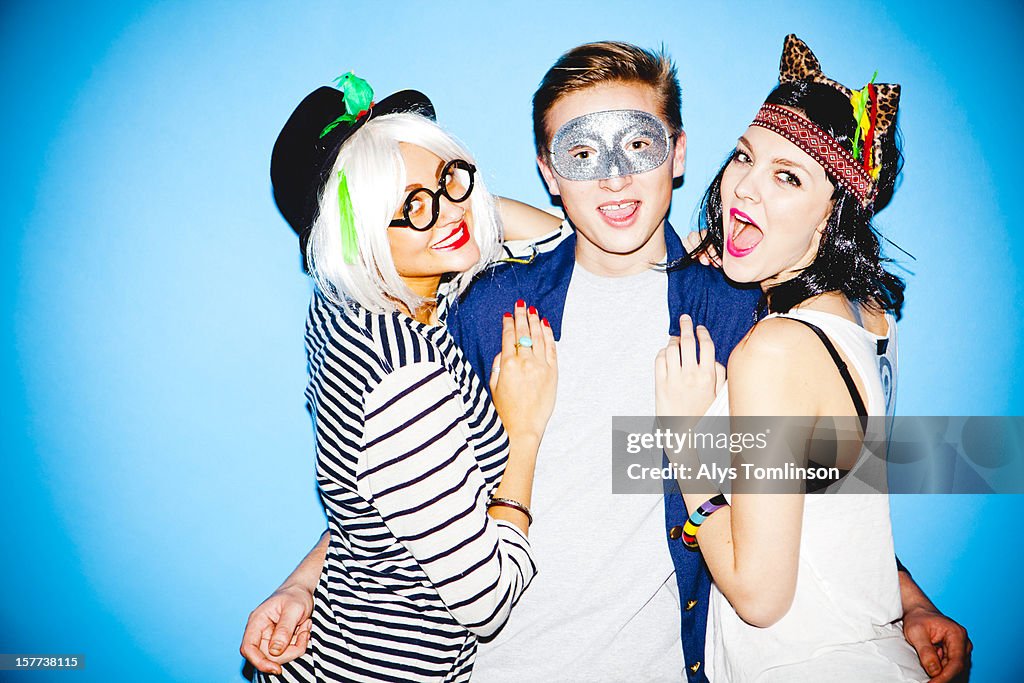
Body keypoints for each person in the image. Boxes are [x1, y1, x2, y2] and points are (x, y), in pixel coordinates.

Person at [246, 43, 971, 682]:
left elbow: (814, 471)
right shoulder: (485, 304)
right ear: (549, 173)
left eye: (641, 146)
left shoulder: (738, 312)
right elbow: (414, 473)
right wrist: (303, 582)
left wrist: (905, 599)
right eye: (582, 155)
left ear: (680, 155)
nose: (615, 179)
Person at [654, 34, 953, 682]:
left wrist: (687, 447)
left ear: (830, 217)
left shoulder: (775, 350)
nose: (744, 188)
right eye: (744, 158)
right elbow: (837, 506)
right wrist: (911, 598)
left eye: (787, 177)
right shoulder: (869, 319)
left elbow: (761, 596)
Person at [240, 74, 557, 682]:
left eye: (449, 178)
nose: (447, 211)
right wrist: (525, 432)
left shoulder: (353, 308)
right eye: (407, 205)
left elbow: (371, 513)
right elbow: (486, 606)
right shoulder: (403, 377)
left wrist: (301, 582)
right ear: (358, 237)